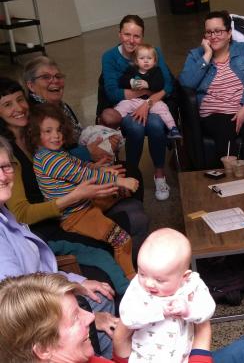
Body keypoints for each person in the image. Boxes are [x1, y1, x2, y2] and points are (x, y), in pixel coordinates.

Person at [0, 77, 149, 279]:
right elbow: (22, 215)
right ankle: (124, 274)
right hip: (50, 221)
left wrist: (93, 167)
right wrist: (76, 194)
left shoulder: (34, 130)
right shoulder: (8, 155)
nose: (18, 108)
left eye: (20, 100)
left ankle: (133, 262)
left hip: (72, 197)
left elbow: (64, 160)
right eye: (7, 104)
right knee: (130, 210)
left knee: (128, 171)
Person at [0, 137, 118, 358]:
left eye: (5, 167)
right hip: (38, 327)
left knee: (100, 291)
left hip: (48, 298)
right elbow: (22, 306)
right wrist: (87, 319)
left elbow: (38, 272)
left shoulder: (5, 214)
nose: (2, 176)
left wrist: (77, 281)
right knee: (100, 302)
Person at [0, 273, 244, 363]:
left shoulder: (84, 358)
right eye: (75, 317)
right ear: (43, 349)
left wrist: (124, 345)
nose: (90, 317)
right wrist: (201, 326)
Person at [28, 103, 139, 279]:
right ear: (35, 134)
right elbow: (82, 174)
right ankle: (130, 278)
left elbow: (79, 164)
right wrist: (120, 180)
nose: (56, 135)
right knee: (121, 239)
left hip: (84, 203)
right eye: (47, 131)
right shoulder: (49, 160)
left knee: (117, 191)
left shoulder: (55, 153)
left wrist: (101, 171)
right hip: (76, 216)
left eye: (58, 130)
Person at [179, 10, 244, 165]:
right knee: (225, 141)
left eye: (218, 31)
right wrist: (207, 55)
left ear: (229, 33)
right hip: (217, 110)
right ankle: (230, 183)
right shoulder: (196, 55)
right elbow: (186, 82)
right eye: (209, 32)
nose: (213, 36)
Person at [101, 15, 173, 201]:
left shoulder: (153, 52)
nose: (131, 40)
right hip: (126, 107)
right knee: (135, 127)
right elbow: (112, 92)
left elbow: (168, 86)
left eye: (137, 36)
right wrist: (146, 94)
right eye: (127, 34)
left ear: (142, 37)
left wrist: (147, 104)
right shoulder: (110, 57)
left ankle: (159, 174)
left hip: (152, 105)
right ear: (119, 34)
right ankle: (130, 173)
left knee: (156, 125)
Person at [120, 228, 215, 362]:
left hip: (182, 357)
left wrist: (189, 309)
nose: (148, 283)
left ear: (184, 277)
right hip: (144, 358)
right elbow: (127, 318)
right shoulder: (137, 287)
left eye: (159, 280)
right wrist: (158, 311)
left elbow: (208, 308)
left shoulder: (192, 284)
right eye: (142, 273)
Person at [23, 56, 120, 164]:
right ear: (31, 85)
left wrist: (105, 141)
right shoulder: (36, 115)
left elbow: (78, 136)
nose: (55, 81)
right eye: (46, 77)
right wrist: (89, 152)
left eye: (58, 76)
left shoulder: (62, 106)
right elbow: (51, 160)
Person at [109, 43, 181, 140]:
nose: (146, 61)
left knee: (163, 108)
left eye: (149, 58)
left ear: (155, 61)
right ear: (136, 61)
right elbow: (122, 81)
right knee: (121, 106)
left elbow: (159, 85)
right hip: (133, 100)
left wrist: (148, 85)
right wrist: (131, 82)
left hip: (151, 101)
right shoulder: (132, 70)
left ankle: (172, 128)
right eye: (142, 58)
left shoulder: (156, 71)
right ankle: (113, 130)